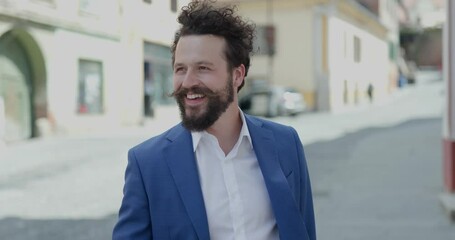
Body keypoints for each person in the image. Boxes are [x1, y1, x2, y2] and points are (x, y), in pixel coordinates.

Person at [112, 1, 316, 239]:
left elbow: (304, 231)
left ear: (237, 75)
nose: (187, 82)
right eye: (180, 69)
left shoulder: (286, 143)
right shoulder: (147, 163)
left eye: (203, 68)